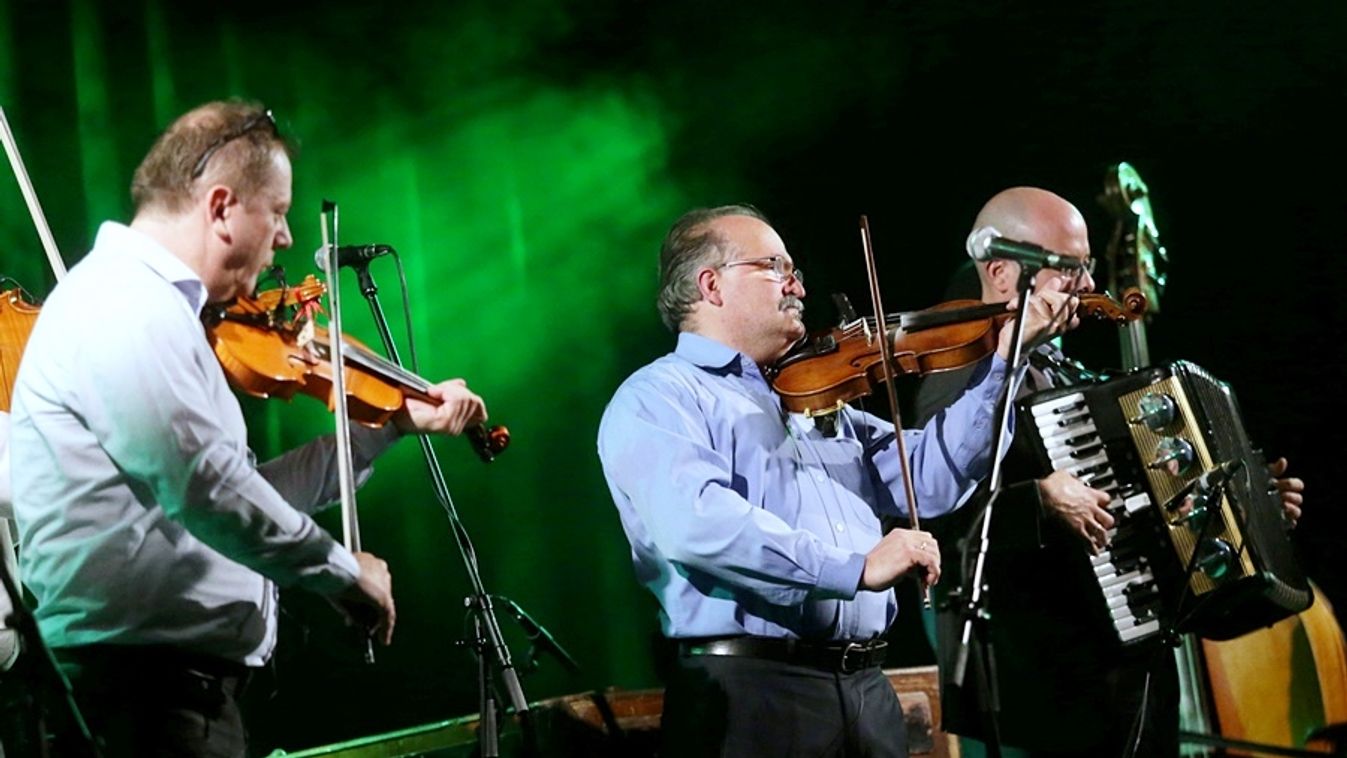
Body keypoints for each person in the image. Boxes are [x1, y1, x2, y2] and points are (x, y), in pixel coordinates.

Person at [8, 100, 488, 757]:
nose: (286, 239)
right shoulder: (124, 306)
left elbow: (244, 490)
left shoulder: (161, 313)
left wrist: (390, 425)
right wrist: (342, 572)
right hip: (140, 703)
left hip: (172, 695)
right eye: (279, 212)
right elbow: (207, 488)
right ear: (222, 206)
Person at [596, 204, 1078, 757]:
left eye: (794, 269)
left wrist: (1005, 364)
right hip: (753, 695)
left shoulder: (820, 400)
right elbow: (697, 525)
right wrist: (856, 568)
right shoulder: (659, 397)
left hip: (867, 689)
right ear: (711, 284)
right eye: (775, 266)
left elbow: (929, 479)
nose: (797, 284)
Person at [916, 186, 1305, 758]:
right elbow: (934, 517)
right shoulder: (960, 375)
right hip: (1043, 699)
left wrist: (1246, 508)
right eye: (1068, 270)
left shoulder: (1067, 373)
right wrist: (1039, 501)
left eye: (1088, 268)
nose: (1089, 288)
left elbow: (1143, 513)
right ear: (1001, 273)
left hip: (1126, 676)